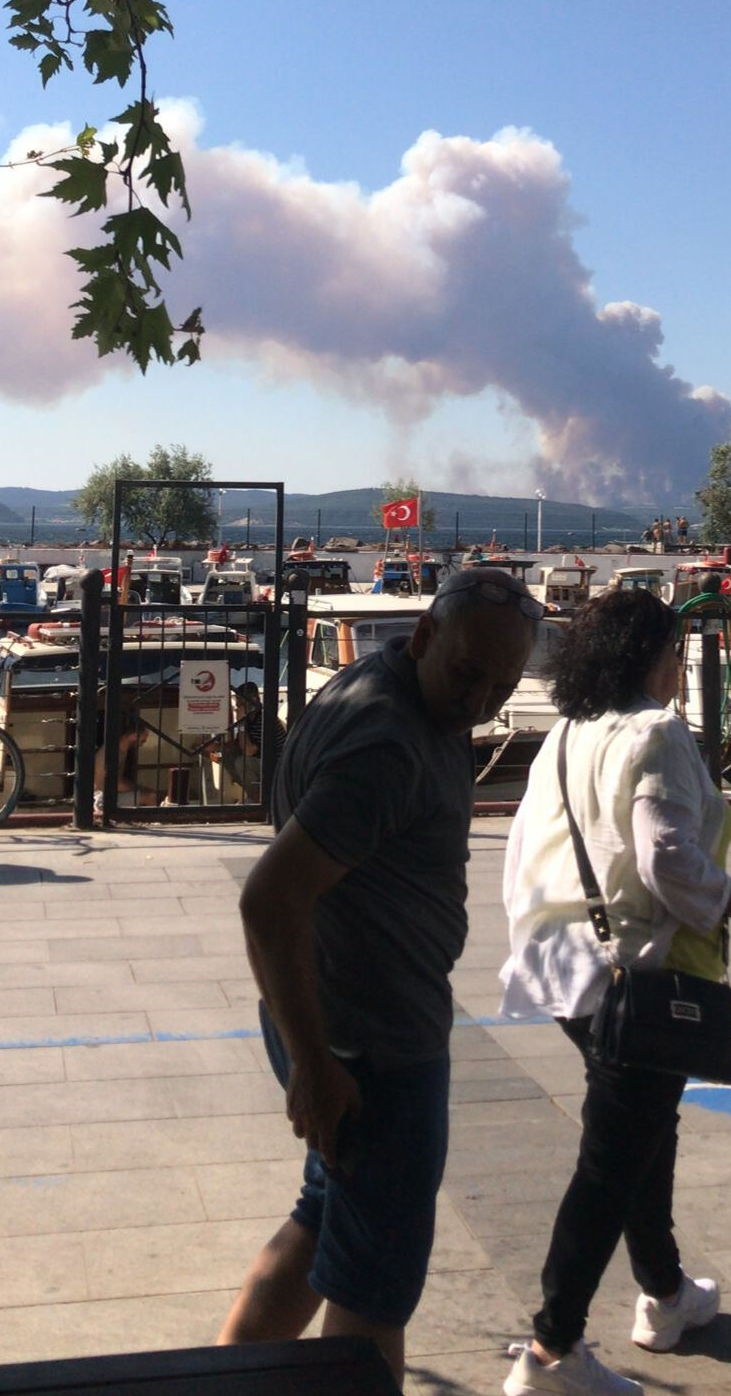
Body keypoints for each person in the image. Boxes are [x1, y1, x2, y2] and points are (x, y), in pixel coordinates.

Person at [217, 569, 539, 1385]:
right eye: (469, 674)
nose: (480, 701)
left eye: (502, 686)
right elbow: (268, 900)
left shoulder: (376, 678)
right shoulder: (388, 744)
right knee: (372, 1294)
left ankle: (222, 1379)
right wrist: (318, 1066)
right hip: (369, 1048)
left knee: (327, 1218)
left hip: (336, 1021)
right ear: (427, 636)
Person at [500, 588, 731, 1395]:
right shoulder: (655, 733)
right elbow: (667, 860)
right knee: (611, 1161)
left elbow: (524, 850)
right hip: (640, 969)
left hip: (562, 969)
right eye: (675, 651)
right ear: (651, 657)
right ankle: (550, 1353)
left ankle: (664, 1295)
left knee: (641, 1136)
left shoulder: (565, 732)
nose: (680, 666)